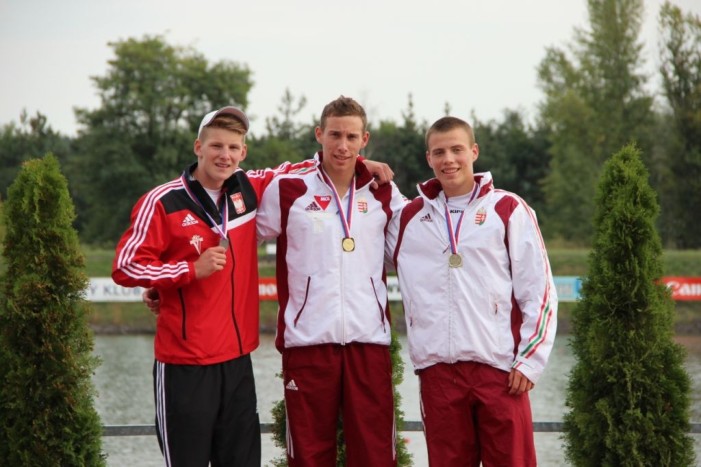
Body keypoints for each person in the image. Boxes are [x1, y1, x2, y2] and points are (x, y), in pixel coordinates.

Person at [112, 106, 315, 466]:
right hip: (185, 365)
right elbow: (126, 266)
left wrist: (363, 165)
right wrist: (190, 270)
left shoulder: (247, 188)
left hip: (237, 361)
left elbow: (303, 167)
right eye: (217, 146)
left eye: (233, 147)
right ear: (198, 148)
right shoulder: (162, 201)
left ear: (243, 152)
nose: (225, 155)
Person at [385, 116, 558, 466]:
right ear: (428, 158)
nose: (448, 159)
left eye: (457, 150)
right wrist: (363, 168)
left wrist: (530, 361)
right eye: (439, 152)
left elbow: (538, 291)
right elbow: (357, 231)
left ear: (474, 152)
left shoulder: (508, 209)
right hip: (438, 372)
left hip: (501, 370)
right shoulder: (408, 218)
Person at [256, 96, 406, 467]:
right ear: (319, 134)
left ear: (364, 140)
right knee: (309, 457)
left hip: (368, 342)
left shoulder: (384, 192)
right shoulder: (288, 189)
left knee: (375, 456)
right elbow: (242, 240)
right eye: (335, 135)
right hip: (307, 341)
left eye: (351, 137)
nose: (342, 145)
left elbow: (417, 249)